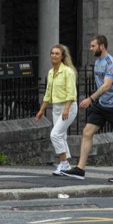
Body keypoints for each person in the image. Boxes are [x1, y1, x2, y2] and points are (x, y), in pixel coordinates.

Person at [61, 35, 113, 184]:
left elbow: (106, 86)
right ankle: (80, 169)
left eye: (93, 46)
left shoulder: (111, 63)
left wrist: (90, 99)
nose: (91, 48)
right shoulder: (98, 62)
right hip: (102, 104)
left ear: (102, 46)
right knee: (87, 131)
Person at [33, 44, 78, 176]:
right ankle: (66, 165)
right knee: (61, 135)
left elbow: (71, 92)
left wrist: (66, 109)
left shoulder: (68, 71)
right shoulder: (51, 72)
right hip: (56, 107)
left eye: (57, 53)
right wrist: (41, 110)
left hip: (68, 107)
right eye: (52, 53)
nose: (53, 55)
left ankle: (64, 163)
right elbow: (48, 93)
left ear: (62, 56)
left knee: (55, 134)